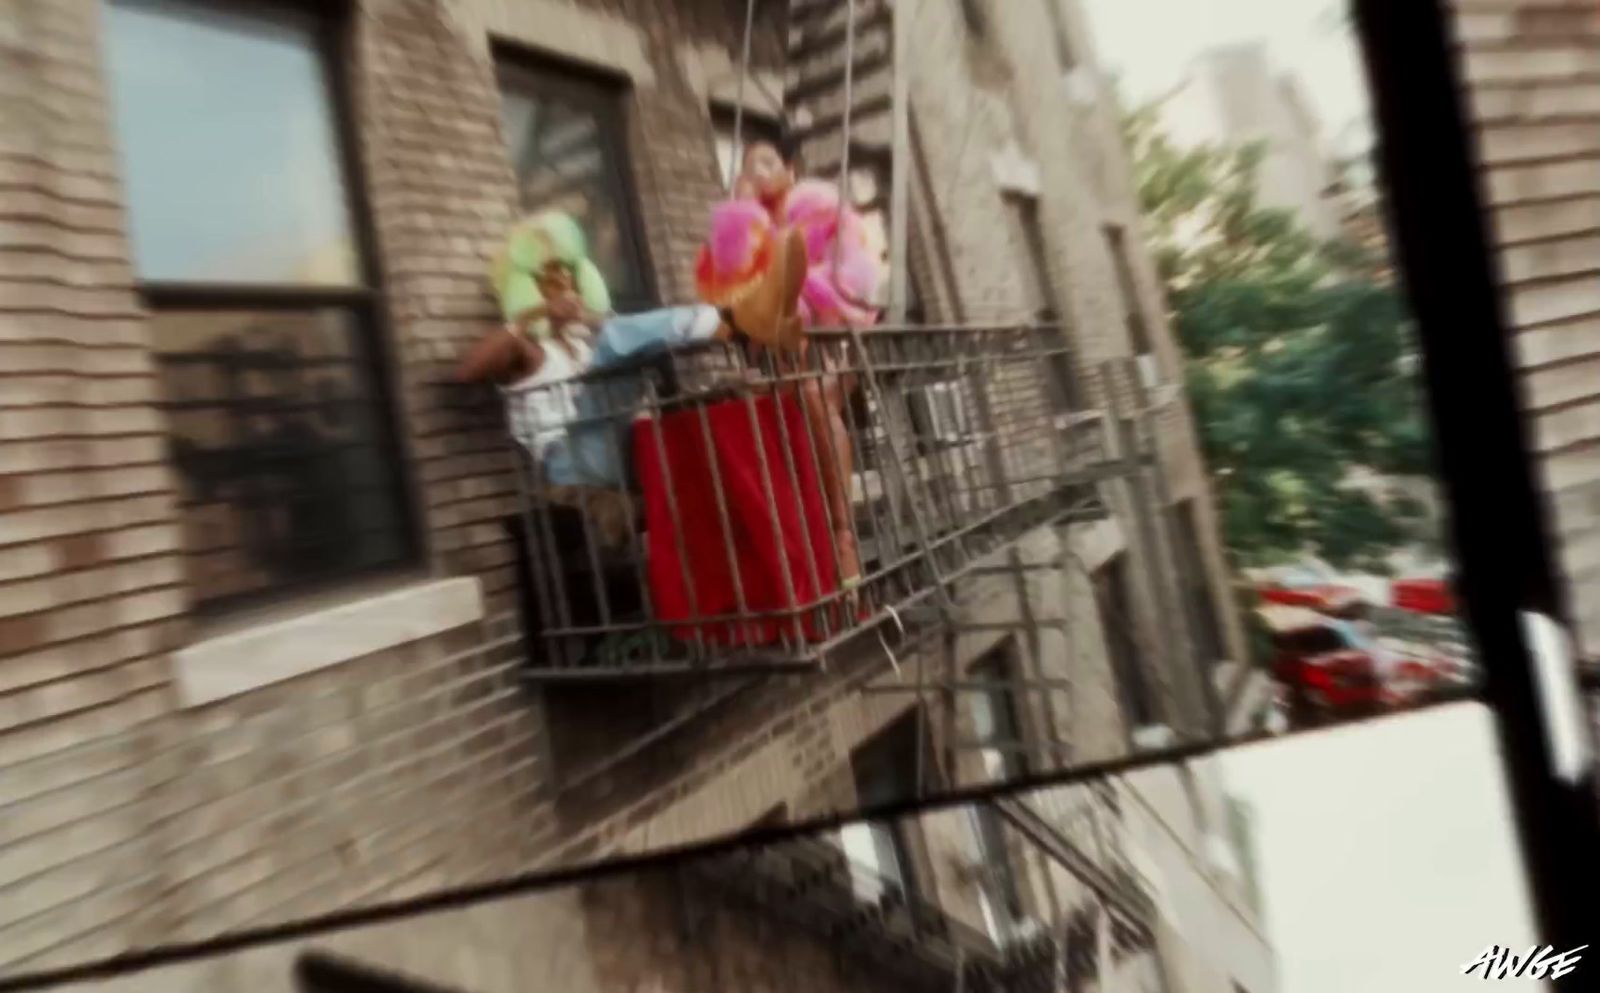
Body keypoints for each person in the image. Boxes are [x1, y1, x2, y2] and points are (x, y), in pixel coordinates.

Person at [695, 138, 883, 590]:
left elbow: (853, 285)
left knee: (816, 396)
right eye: (746, 169)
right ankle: (798, 544)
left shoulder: (820, 208)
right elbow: (735, 297)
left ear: (790, 170)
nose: (757, 174)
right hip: (783, 355)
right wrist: (744, 214)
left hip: (835, 338)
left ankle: (843, 533)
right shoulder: (748, 230)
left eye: (766, 163)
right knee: (752, 403)